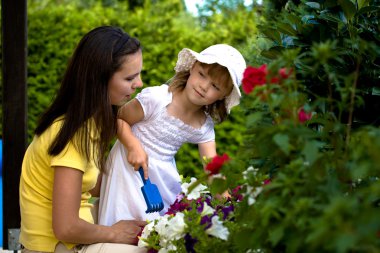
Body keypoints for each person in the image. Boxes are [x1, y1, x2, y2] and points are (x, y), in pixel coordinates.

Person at [19, 26, 147, 253]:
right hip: (54, 247)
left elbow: (94, 187)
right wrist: (115, 233)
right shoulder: (71, 134)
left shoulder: (89, 124)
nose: (139, 84)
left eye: (138, 74)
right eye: (130, 77)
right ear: (99, 79)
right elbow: (66, 227)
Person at [98, 44, 247, 225]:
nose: (204, 86)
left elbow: (212, 170)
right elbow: (117, 120)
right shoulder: (158, 98)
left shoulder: (203, 125)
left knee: (158, 232)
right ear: (192, 68)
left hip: (161, 178)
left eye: (215, 86)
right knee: (127, 224)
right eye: (202, 74)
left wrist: (229, 206)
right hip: (129, 166)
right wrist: (133, 145)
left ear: (223, 95)